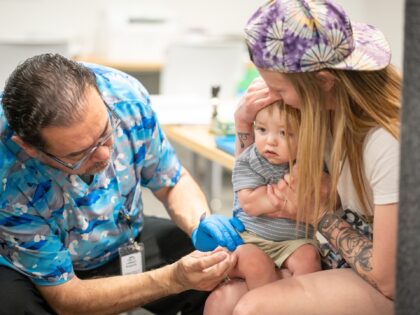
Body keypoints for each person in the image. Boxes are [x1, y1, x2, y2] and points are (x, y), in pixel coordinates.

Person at [0, 53, 245, 315]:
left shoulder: (125, 97)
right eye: (78, 154)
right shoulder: (9, 176)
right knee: (13, 306)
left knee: (220, 266)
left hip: (124, 238)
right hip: (40, 271)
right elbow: (66, 297)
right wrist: (173, 279)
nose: (105, 156)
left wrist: (200, 224)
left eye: (106, 132)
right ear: (31, 148)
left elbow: (172, 182)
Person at [205, 0, 401, 314]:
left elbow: (390, 279)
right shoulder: (321, 115)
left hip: (397, 282)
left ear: (324, 82)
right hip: (344, 256)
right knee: (222, 301)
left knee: (252, 308)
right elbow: (250, 197)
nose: (273, 99)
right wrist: (244, 123)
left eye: (279, 91)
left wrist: (320, 215)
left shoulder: (387, 141)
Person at [204, 101, 321, 314]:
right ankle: (270, 307)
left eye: (284, 133)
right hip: (253, 238)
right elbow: (248, 203)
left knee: (309, 258)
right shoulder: (249, 160)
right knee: (253, 260)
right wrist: (276, 199)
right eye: (262, 130)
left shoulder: (309, 162)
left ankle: (301, 307)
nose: (270, 141)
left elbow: (318, 200)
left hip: (293, 241)